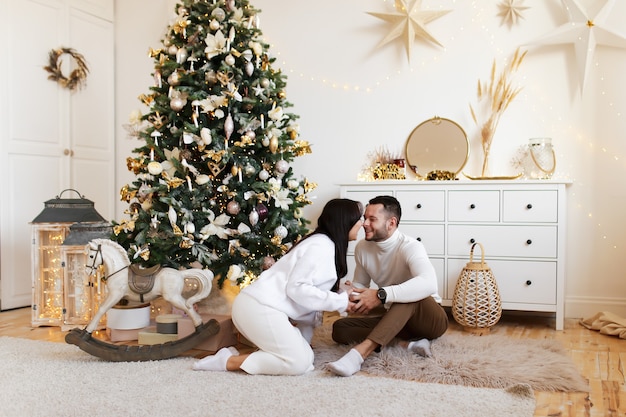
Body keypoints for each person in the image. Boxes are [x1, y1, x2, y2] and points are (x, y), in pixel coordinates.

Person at [192, 198, 363, 375]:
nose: (362, 223)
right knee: (298, 363)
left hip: (266, 308)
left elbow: (310, 298)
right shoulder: (321, 245)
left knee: (306, 359)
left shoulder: (326, 245)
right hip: (258, 307)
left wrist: (305, 341)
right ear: (345, 220)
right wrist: (341, 301)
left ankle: (258, 355)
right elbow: (297, 288)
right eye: (359, 218)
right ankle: (227, 361)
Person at [327, 195, 448, 377]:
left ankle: (359, 354)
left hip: (429, 319)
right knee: (340, 329)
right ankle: (408, 344)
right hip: (396, 317)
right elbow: (361, 283)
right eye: (365, 218)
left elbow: (429, 282)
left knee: (407, 294)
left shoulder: (410, 247)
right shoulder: (363, 248)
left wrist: (380, 295)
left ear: (391, 223)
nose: (365, 224)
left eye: (372, 219)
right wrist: (352, 293)